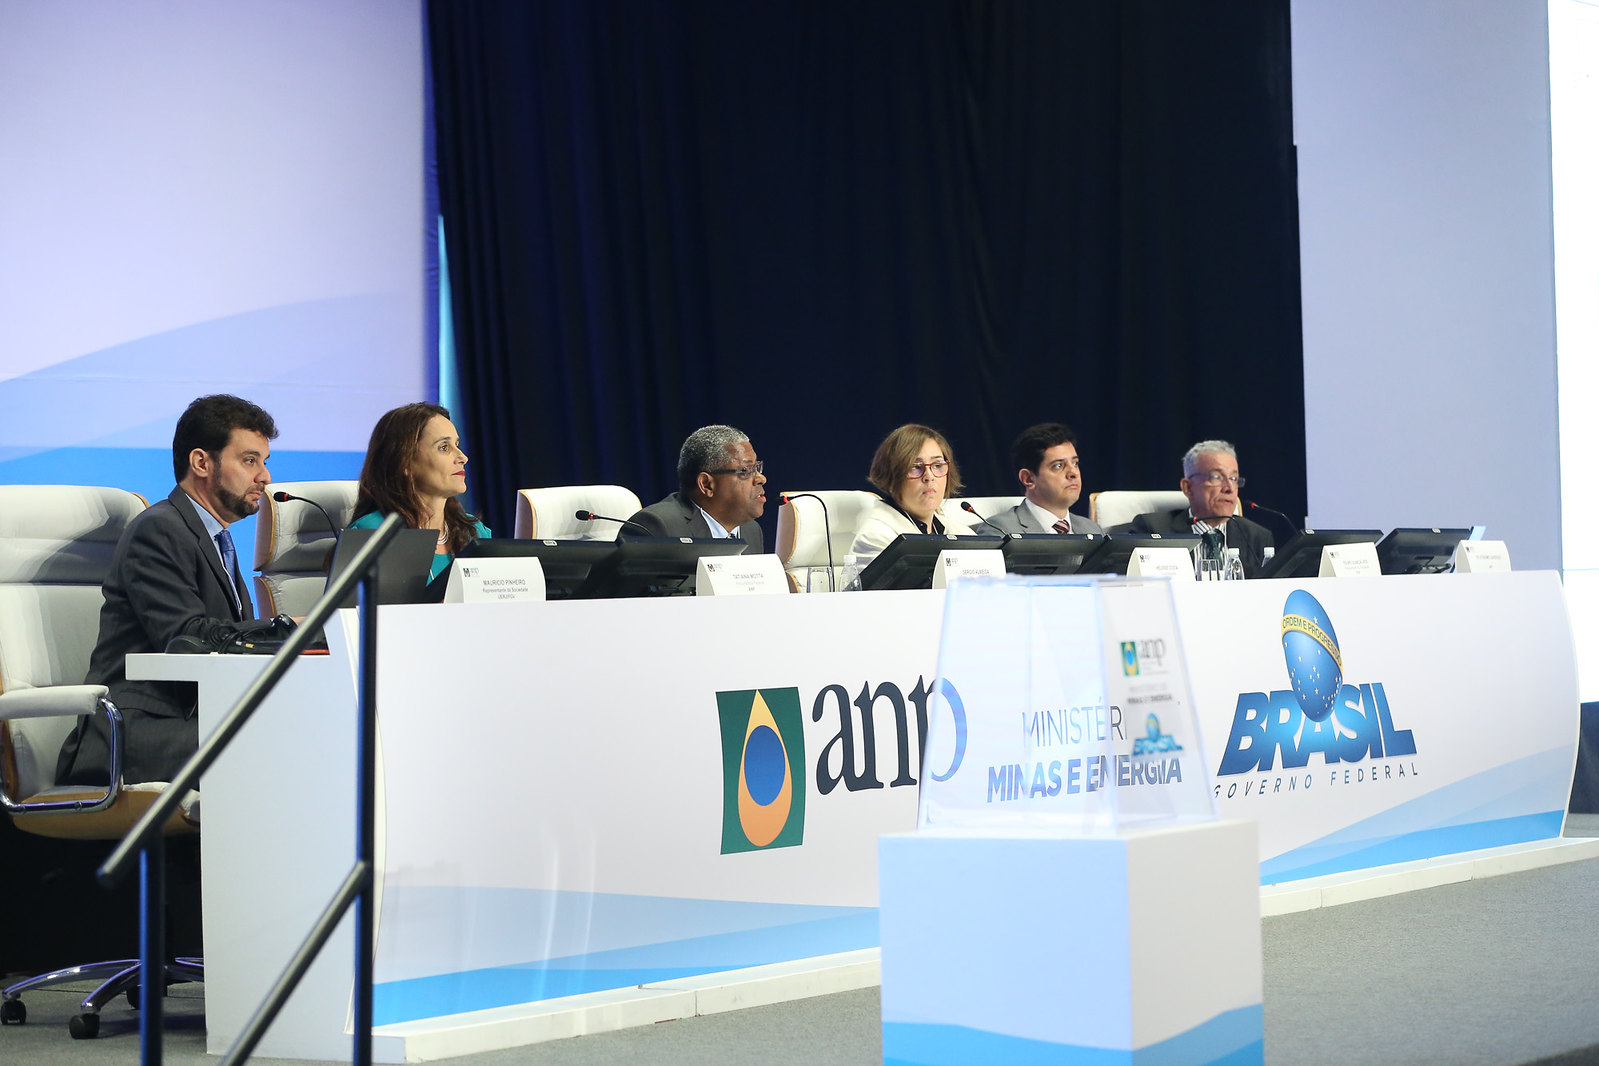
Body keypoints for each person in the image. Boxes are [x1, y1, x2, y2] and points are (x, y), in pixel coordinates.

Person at [56, 394, 280, 785]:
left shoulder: (215, 539)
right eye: (249, 460)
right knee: (278, 743)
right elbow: (186, 638)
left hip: (189, 720)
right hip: (135, 733)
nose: (265, 476)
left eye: (264, 462)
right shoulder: (159, 529)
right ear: (201, 462)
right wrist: (282, 628)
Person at [346, 402, 490, 582]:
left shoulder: (475, 531)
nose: (462, 457)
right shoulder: (373, 533)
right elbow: (351, 609)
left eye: (457, 445)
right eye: (444, 447)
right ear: (405, 463)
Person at [1122, 439, 1274, 577]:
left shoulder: (1257, 537)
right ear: (1187, 487)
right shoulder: (1153, 531)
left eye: (1233, 479)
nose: (1229, 488)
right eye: (1216, 477)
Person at [626, 425, 767, 550]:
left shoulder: (750, 530)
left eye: (757, 468)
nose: (761, 478)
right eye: (747, 470)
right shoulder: (657, 528)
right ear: (706, 485)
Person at [850, 423, 976, 564]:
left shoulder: (964, 535)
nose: (929, 476)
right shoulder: (876, 537)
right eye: (915, 467)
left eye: (937, 465)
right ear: (891, 475)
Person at [986, 422, 1105, 536]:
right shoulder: (1000, 531)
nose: (1073, 473)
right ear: (1028, 479)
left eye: (1075, 463)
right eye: (1058, 466)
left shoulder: (1092, 530)